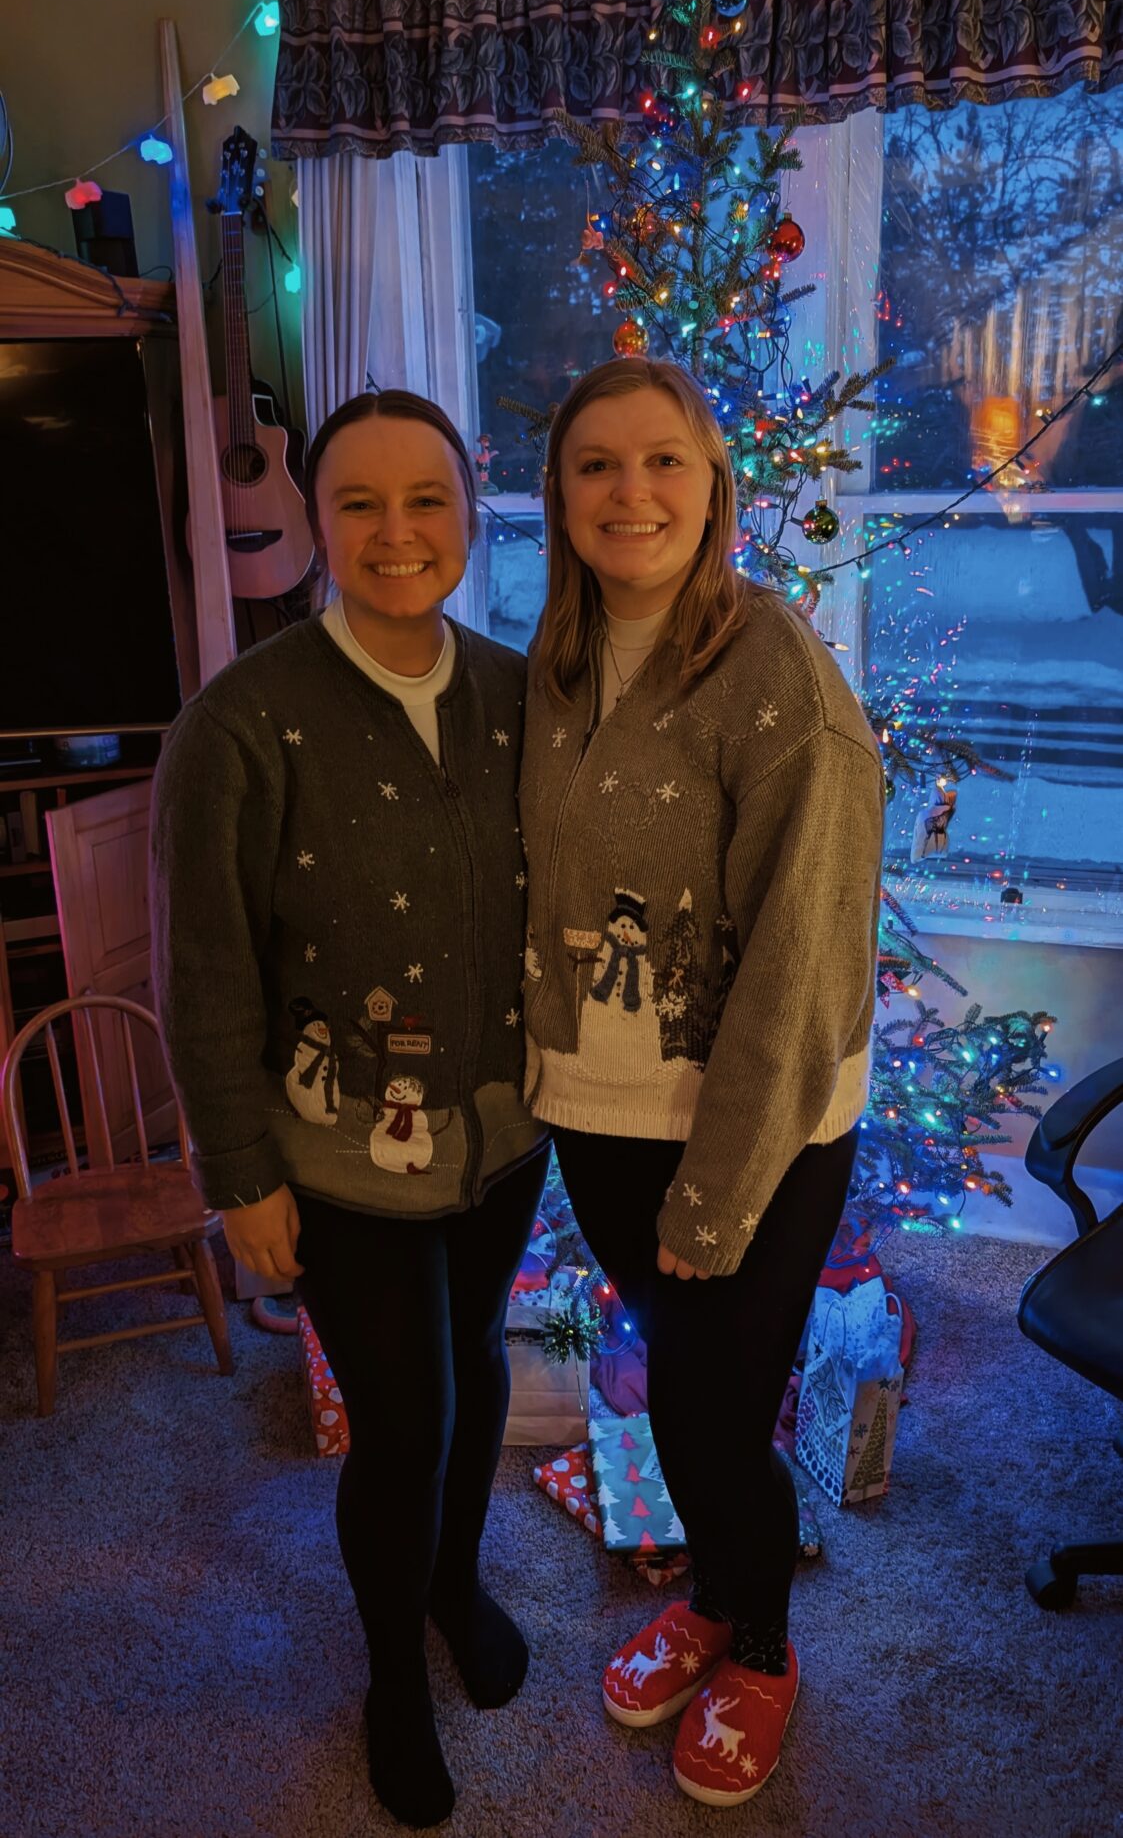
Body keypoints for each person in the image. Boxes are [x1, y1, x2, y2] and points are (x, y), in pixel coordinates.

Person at [150, 390, 550, 1831]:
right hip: (333, 1157)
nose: (397, 532)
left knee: (481, 1359)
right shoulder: (243, 723)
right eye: (361, 501)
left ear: (470, 506)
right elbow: (202, 963)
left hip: (503, 1135)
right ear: (317, 521)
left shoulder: (520, 692)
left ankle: (455, 1585)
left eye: (425, 498)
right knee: (403, 1413)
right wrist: (239, 1170)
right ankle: (391, 1669)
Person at [519, 357, 884, 1809]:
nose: (632, 492)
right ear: (557, 494)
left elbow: (801, 957)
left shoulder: (772, 667)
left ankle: (766, 1646)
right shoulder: (547, 662)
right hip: (597, 1115)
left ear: (715, 480)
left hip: (760, 1128)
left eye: (662, 460)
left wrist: (719, 1190)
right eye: (597, 464)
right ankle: (719, 1601)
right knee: (684, 1400)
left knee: (713, 1418)